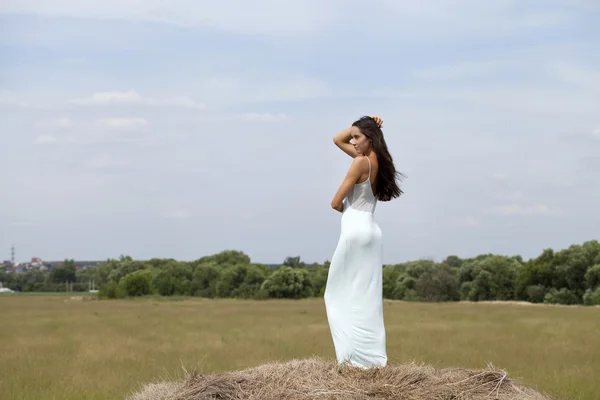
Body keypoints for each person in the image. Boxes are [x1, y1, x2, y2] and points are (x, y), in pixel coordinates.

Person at [324, 115, 404, 369]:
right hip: (372, 229)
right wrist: (367, 124)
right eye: (354, 137)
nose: (353, 141)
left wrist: (347, 213)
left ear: (370, 138)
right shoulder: (379, 162)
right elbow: (339, 140)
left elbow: (336, 203)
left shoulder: (359, 163)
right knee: (368, 298)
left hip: (355, 229)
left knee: (336, 295)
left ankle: (352, 359)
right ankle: (372, 359)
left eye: (358, 137)